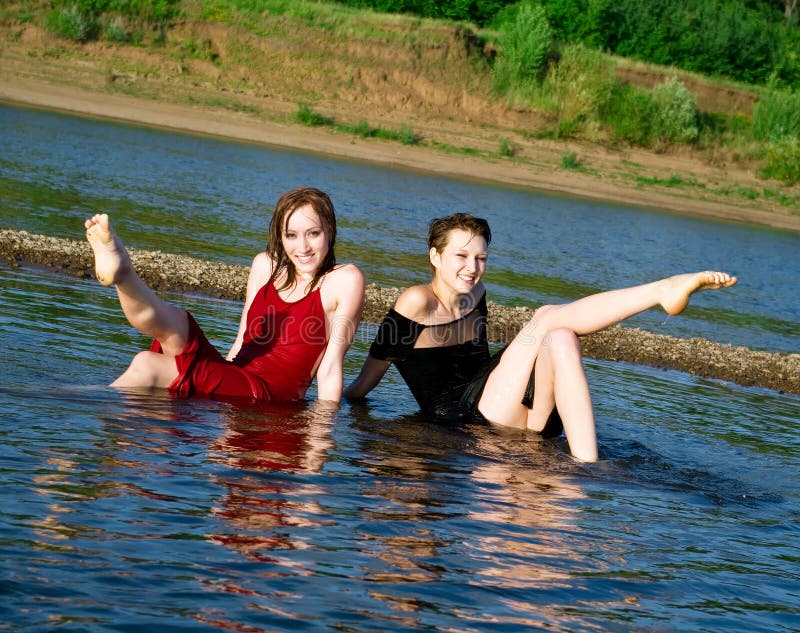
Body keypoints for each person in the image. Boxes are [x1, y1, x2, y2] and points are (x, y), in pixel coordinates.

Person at [343, 213, 736, 462]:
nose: (472, 268)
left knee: (561, 335)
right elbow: (373, 370)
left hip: (520, 414)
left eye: (480, 258)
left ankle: (587, 465)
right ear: (435, 257)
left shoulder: (476, 293)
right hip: (462, 417)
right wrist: (339, 400)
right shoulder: (415, 301)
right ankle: (659, 290)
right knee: (547, 317)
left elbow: (480, 365)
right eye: (461, 257)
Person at [85, 186, 365, 403]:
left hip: (270, 395)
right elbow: (244, 338)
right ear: (280, 237)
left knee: (146, 363)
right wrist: (219, 375)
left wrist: (319, 443)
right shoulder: (264, 265)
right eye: (291, 235)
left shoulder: (343, 280)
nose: (302, 247)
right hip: (238, 376)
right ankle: (123, 273)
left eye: (313, 233)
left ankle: (82, 410)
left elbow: (330, 368)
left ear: (329, 230)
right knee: (177, 325)